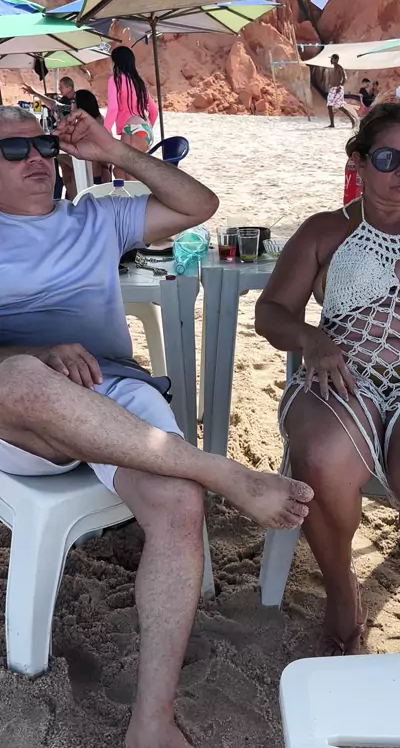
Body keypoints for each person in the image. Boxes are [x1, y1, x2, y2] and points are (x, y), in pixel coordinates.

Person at [0, 105, 313, 748]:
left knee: (177, 505)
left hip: (113, 389)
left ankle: (152, 721)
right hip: (22, 415)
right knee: (20, 379)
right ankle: (219, 471)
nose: (36, 158)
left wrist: (115, 152)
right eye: (13, 149)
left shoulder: (95, 219)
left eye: (43, 145)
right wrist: (37, 353)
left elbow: (200, 205)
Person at [256, 102, 400, 656]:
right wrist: (310, 339)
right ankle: (341, 596)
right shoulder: (325, 230)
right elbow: (271, 313)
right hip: (344, 373)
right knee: (321, 454)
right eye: (388, 158)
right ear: (358, 160)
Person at [105, 46, 159, 180]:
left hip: (130, 129)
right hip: (145, 129)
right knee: (119, 170)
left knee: (129, 175)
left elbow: (113, 109)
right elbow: (154, 111)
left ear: (116, 62)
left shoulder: (115, 80)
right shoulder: (138, 82)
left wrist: (104, 132)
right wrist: (145, 129)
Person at [75, 89, 111, 183]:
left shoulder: (96, 124)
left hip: (95, 175)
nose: (71, 105)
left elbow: (105, 151)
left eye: (73, 102)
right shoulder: (92, 121)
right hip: (90, 173)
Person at [326, 54, 356, 128]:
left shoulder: (339, 67)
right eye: (331, 59)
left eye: (332, 59)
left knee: (339, 106)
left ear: (336, 59)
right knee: (329, 106)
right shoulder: (334, 68)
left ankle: (352, 120)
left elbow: (344, 78)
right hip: (333, 89)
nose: (331, 60)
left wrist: (340, 86)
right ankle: (332, 124)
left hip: (338, 89)